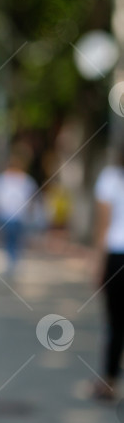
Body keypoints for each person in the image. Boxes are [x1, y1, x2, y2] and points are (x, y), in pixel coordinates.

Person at [90, 147, 124, 401]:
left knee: (115, 322)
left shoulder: (111, 178)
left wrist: (98, 264)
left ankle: (109, 381)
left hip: (116, 256)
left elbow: (103, 225)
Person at [0, 149, 38, 278]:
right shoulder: (26, 180)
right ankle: (13, 261)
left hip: (10, 216)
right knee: (14, 241)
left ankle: (11, 262)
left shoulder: (0, 180)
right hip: (12, 217)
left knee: (10, 240)